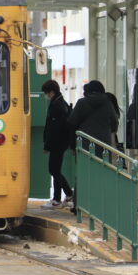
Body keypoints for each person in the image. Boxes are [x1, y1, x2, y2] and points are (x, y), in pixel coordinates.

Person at [67, 80, 118, 214]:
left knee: (83, 174)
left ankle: (79, 206)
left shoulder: (82, 103)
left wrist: (72, 145)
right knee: (101, 174)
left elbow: (71, 123)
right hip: (103, 145)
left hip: (84, 144)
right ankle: (99, 206)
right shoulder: (107, 103)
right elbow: (114, 124)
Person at [40, 80, 73, 209]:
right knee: (55, 170)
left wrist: (47, 146)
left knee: (54, 170)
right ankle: (68, 194)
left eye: (46, 93)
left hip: (58, 143)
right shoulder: (60, 102)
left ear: (51, 92)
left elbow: (53, 129)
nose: (46, 95)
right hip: (61, 142)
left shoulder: (57, 106)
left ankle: (57, 199)